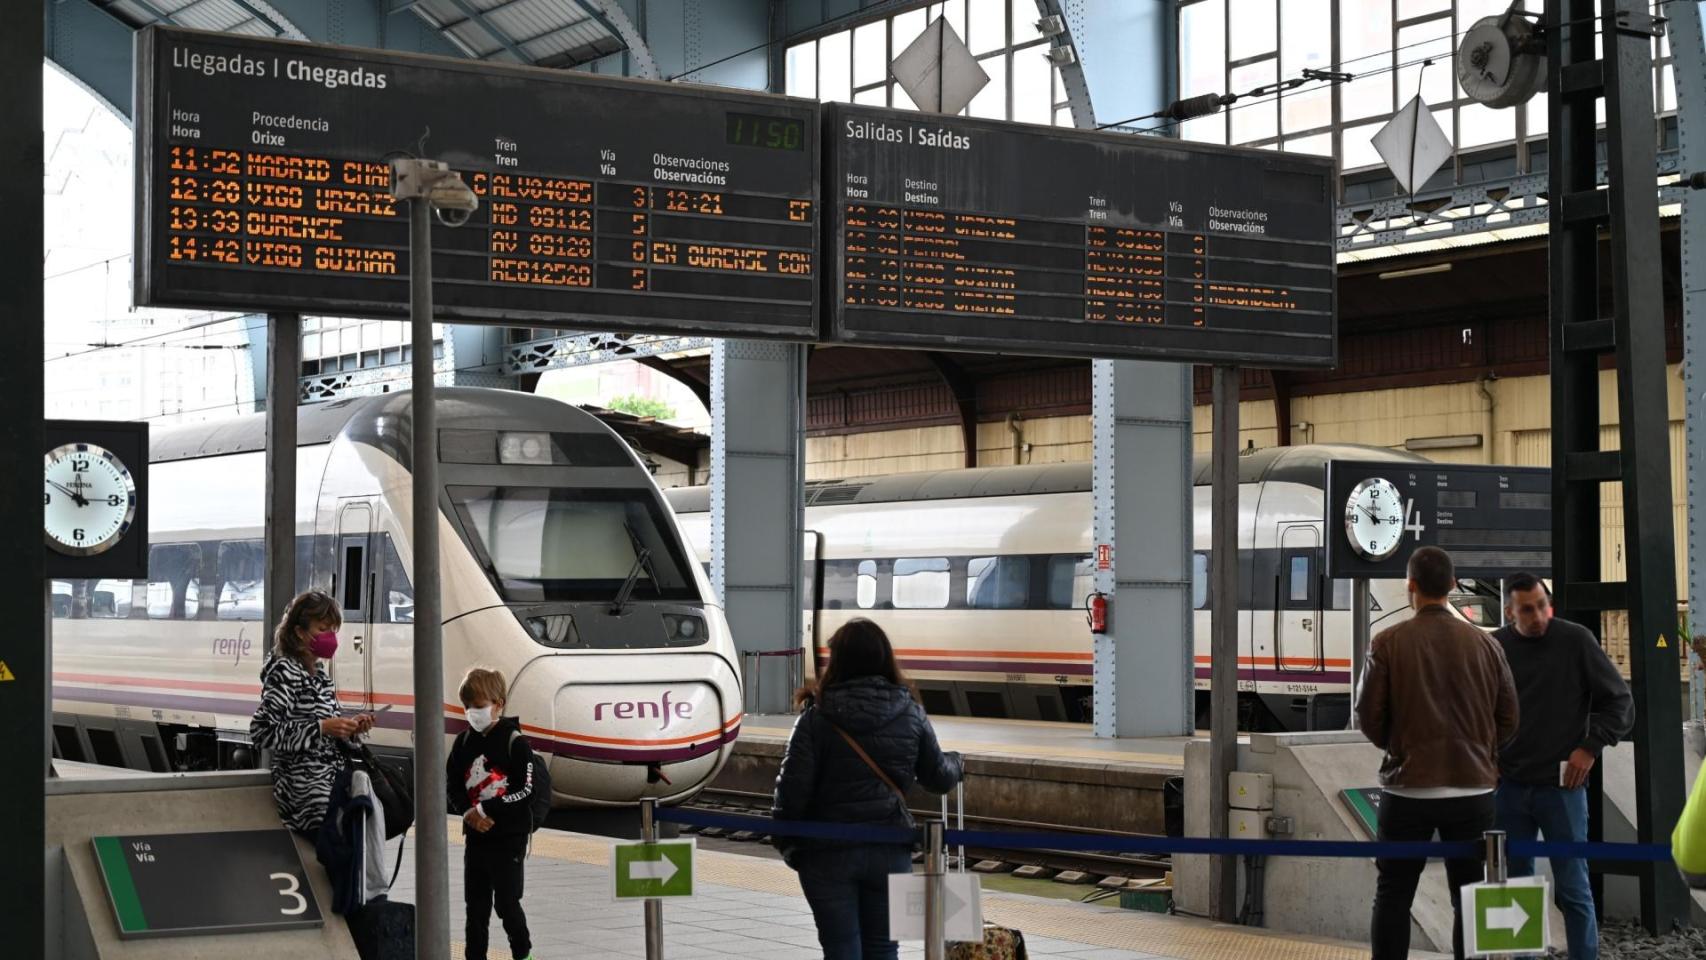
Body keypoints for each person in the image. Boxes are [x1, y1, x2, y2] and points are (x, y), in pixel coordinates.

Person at [1356, 546, 1520, 960]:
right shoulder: (1485, 646)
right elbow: (1509, 718)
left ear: (1411, 586)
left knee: (1393, 895)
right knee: (1468, 897)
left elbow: (1368, 717)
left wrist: (1399, 748)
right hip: (1473, 793)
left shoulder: (1388, 641)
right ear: (1452, 585)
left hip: (1407, 791)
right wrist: (1483, 754)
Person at [773, 619, 964, 960]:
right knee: (883, 949)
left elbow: (791, 792)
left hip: (826, 853)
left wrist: (790, 847)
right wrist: (958, 763)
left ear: (838, 661)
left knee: (841, 949)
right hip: (889, 848)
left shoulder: (815, 717)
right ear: (885, 659)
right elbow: (937, 777)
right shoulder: (910, 712)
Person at [1492, 573, 1633, 960]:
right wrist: (1487, 758)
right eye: (1527, 609)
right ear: (1509, 611)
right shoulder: (1495, 648)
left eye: (1543, 605)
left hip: (1563, 789)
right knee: (1514, 889)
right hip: (1510, 788)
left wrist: (1589, 748)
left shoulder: (1576, 641)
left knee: (1573, 888)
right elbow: (1474, 711)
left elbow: (1621, 703)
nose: (1538, 615)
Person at [250, 590, 374, 835]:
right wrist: (321, 728)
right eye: (322, 629)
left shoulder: (319, 674)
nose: (330, 637)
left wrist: (349, 729)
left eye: (333, 631)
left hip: (333, 784)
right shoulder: (285, 670)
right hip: (306, 792)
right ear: (299, 632)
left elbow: (325, 725)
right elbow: (262, 731)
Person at [446, 667, 537, 960]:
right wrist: (468, 813)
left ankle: (523, 954)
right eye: (468, 707)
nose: (473, 712)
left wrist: (485, 808)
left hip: (509, 838)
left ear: (498, 703)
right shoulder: (463, 743)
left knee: (507, 905)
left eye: (480, 706)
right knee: (476, 908)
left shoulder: (516, 743)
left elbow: (525, 791)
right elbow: (452, 784)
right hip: (476, 837)